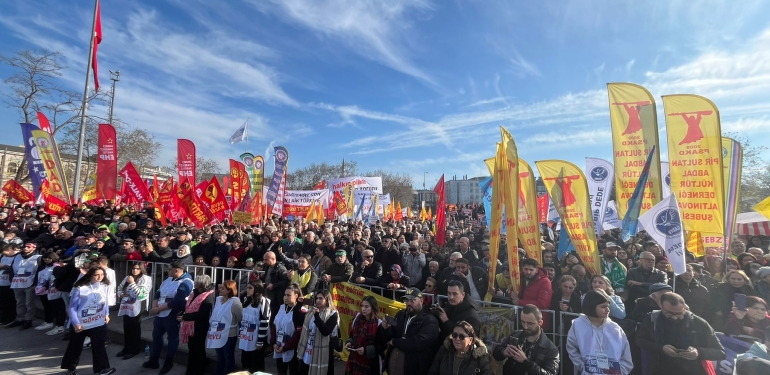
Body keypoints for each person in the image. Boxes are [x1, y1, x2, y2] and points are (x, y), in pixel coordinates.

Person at [636, 292, 726, 375]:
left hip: (692, 370)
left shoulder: (699, 323)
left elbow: (721, 352)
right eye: (669, 313)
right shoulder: (652, 319)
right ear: (660, 305)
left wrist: (698, 352)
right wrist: (661, 348)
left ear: (685, 308)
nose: (674, 317)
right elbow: (640, 340)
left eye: (679, 313)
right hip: (660, 369)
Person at [60, 267, 115, 375]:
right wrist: (76, 323)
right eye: (96, 275)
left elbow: (105, 301)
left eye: (102, 275)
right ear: (90, 275)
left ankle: (102, 369)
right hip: (82, 323)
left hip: (98, 322)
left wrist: (106, 314)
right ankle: (70, 368)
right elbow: (72, 308)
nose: (100, 277)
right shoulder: (80, 288)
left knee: (99, 345)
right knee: (75, 346)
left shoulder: (104, 286)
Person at [567, 290, 633, 375]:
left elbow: (626, 355)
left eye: (608, 306)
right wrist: (583, 367)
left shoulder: (615, 328)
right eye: (603, 307)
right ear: (591, 306)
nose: (607, 310)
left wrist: (620, 372)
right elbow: (572, 349)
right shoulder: (577, 325)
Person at [144, 261, 194, 374]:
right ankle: (154, 359)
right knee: (156, 336)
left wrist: (158, 309)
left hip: (172, 314)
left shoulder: (186, 282)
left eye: (170, 269)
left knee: (172, 338)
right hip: (160, 313)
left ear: (177, 270)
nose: (168, 271)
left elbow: (178, 301)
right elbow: (158, 291)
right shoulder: (168, 279)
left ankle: (168, 362)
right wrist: (154, 305)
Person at [381, 287, 440, 375]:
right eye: (406, 300)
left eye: (412, 300)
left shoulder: (430, 320)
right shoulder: (400, 315)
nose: (408, 303)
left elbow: (418, 343)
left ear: (421, 300)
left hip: (415, 369)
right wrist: (385, 328)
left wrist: (395, 342)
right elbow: (390, 337)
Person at [492, 304, 559, 375]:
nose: (525, 326)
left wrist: (526, 361)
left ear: (540, 323)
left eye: (530, 323)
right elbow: (496, 354)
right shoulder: (515, 335)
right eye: (523, 322)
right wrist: (503, 352)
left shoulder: (551, 349)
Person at [297, 289, 340, 375]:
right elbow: (298, 321)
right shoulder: (311, 311)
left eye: (321, 298)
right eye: (317, 298)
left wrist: (317, 316)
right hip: (309, 349)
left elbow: (325, 331)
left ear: (327, 300)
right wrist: (299, 304)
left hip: (324, 351)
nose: (318, 300)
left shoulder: (332, 314)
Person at [180, 275, 216, 375]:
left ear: (202, 284)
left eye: (196, 282)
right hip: (190, 325)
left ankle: (199, 370)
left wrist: (185, 317)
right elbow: (188, 306)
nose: (194, 284)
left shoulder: (208, 295)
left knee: (198, 349)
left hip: (200, 326)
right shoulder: (194, 293)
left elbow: (202, 314)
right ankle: (190, 370)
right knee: (191, 349)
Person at [115, 261, 152, 359]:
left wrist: (132, 283)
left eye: (137, 269)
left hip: (138, 304)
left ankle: (134, 349)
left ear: (141, 269)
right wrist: (121, 294)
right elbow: (119, 288)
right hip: (127, 304)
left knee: (134, 326)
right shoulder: (128, 277)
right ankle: (126, 347)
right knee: (126, 326)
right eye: (133, 268)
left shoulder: (146, 279)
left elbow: (140, 294)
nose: (135, 270)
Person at [428, 320, 493, 375]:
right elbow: (433, 372)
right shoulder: (444, 350)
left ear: (470, 340)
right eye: (454, 335)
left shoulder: (481, 357)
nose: (457, 339)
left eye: (462, 336)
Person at [206, 280, 243, 375]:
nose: (220, 290)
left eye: (223, 288)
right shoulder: (218, 299)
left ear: (229, 290)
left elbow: (240, 318)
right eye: (220, 288)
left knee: (228, 357)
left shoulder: (235, 303)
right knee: (219, 357)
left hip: (229, 335)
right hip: (217, 333)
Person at [271, 284, 307, 375]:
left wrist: (286, 347)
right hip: (279, 345)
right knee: (281, 371)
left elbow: (298, 333)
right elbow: (275, 325)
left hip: (292, 349)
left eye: (289, 295)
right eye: (285, 295)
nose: (286, 297)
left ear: (296, 296)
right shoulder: (282, 307)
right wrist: (274, 343)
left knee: (293, 371)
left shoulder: (301, 311)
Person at [345, 296, 386, 375]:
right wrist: (349, 342)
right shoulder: (358, 319)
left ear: (373, 308)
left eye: (366, 306)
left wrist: (366, 350)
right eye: (362, 306)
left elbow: (382, 346)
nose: (363, 309)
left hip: (371, 363)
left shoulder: (379, 323)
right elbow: (352, 336)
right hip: (355, 359)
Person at [9, 242, 42, 329]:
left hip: (29, 283)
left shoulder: (38, 258)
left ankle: (28, 320)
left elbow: (39, 271)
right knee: (19, 302)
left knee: (29, 303)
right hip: (17, 282)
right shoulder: (17, 256)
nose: (25, 248)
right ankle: (20, 319)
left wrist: (36, 283)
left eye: (28, 247)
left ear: (34, 248)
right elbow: (12, 268)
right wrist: (11, 279)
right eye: (24, 246)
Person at [239, 283, 271, 373]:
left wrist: (260, 341)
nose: (247, 290)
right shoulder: (247, 299)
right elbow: (243, 320)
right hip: (245, 337)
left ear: (257, 290)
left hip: (256, 339)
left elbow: (264, 322)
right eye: (247, 287)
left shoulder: (264, 302)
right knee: (245, 363)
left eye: (250, 288)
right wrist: (241, 333)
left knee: (256, 365)